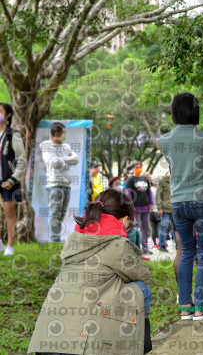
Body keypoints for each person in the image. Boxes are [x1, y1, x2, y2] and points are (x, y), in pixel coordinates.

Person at [28, 189, 152, 354]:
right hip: (82, 344)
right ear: (124, 219)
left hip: (48, 336)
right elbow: (143, 275)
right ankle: (125, 342)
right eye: (130, 224)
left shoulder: (74, 238)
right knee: (142, 289)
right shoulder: (117, 244)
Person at [161, 93, 203, 321]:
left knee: (185, 252)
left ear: (174, 112)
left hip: (178, 202)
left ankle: (185, 306)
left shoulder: (165, 140)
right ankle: (200, 307)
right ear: (196, 111)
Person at [40, 122, 78, 243]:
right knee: (55, 211)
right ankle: (54, 239)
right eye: (63, 133)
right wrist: (67, 159)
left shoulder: (66, 147)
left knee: (62, 212)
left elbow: (75, 159)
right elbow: (54, 163)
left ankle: (57, 237)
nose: (65, 135)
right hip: (54, 184)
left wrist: (62, 159)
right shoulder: (46, 145)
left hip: (66, 184)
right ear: (57, 133)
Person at [0, 104, 26, 256]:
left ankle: (10, 245)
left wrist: (13, 179)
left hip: (8, 180)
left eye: (1, 112)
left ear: (8, 115)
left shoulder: (13, 135)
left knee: (9, 211)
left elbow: (22, 160)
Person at [125, 162, 154, 254]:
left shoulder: (145, 179)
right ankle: (136, 248)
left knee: (145, 229)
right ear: (133, 169)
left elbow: (149, 192)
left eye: (141, 167)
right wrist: (131, 205)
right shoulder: (130, 179)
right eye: (137, 167)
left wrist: (151, 204)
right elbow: (128, 193)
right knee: (135, 228)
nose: (139, 169)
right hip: (135, 208)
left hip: (145, 207)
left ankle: (145, 248)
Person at [156, 171, 173, 252]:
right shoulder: (162, 180)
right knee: (164, 226)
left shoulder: (176, 179)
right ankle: (162, 245)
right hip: (165, 208)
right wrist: (159, 207)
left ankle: (178, 246)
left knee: (177, 228)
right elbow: (158, 195)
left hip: (176, 207)